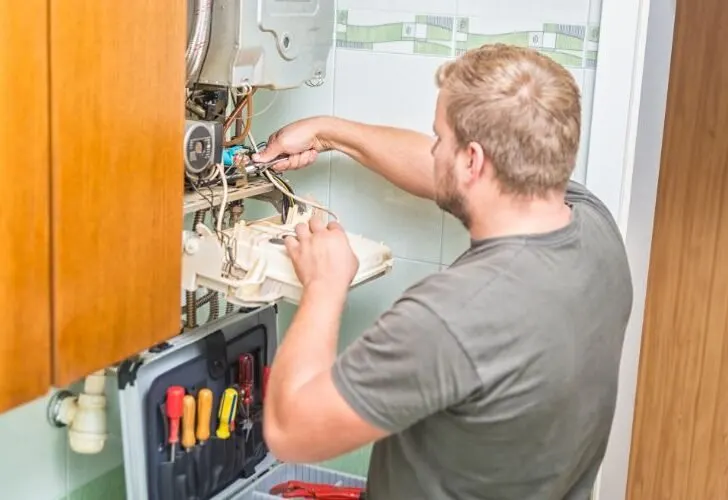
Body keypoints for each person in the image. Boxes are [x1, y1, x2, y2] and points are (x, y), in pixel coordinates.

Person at [259, 44, 633, 500]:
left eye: (439, 139)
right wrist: (328, 132)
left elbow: (289, 429)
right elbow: (446, 172)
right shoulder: (595, 230)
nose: (433, 150)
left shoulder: (452, 316)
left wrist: (324, 284)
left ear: (472, 160)